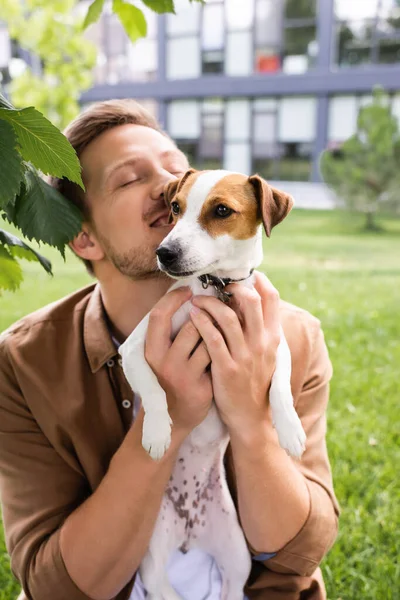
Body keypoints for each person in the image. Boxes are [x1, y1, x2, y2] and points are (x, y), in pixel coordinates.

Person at [0, 100, 339, 600]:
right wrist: (169, 417)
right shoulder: (24, 363)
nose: (168, 186)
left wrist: (250, 420)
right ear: (83, 237)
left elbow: (299, 552)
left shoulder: (295, 336)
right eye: (129, 178)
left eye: (176, 168)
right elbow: (53, 587)